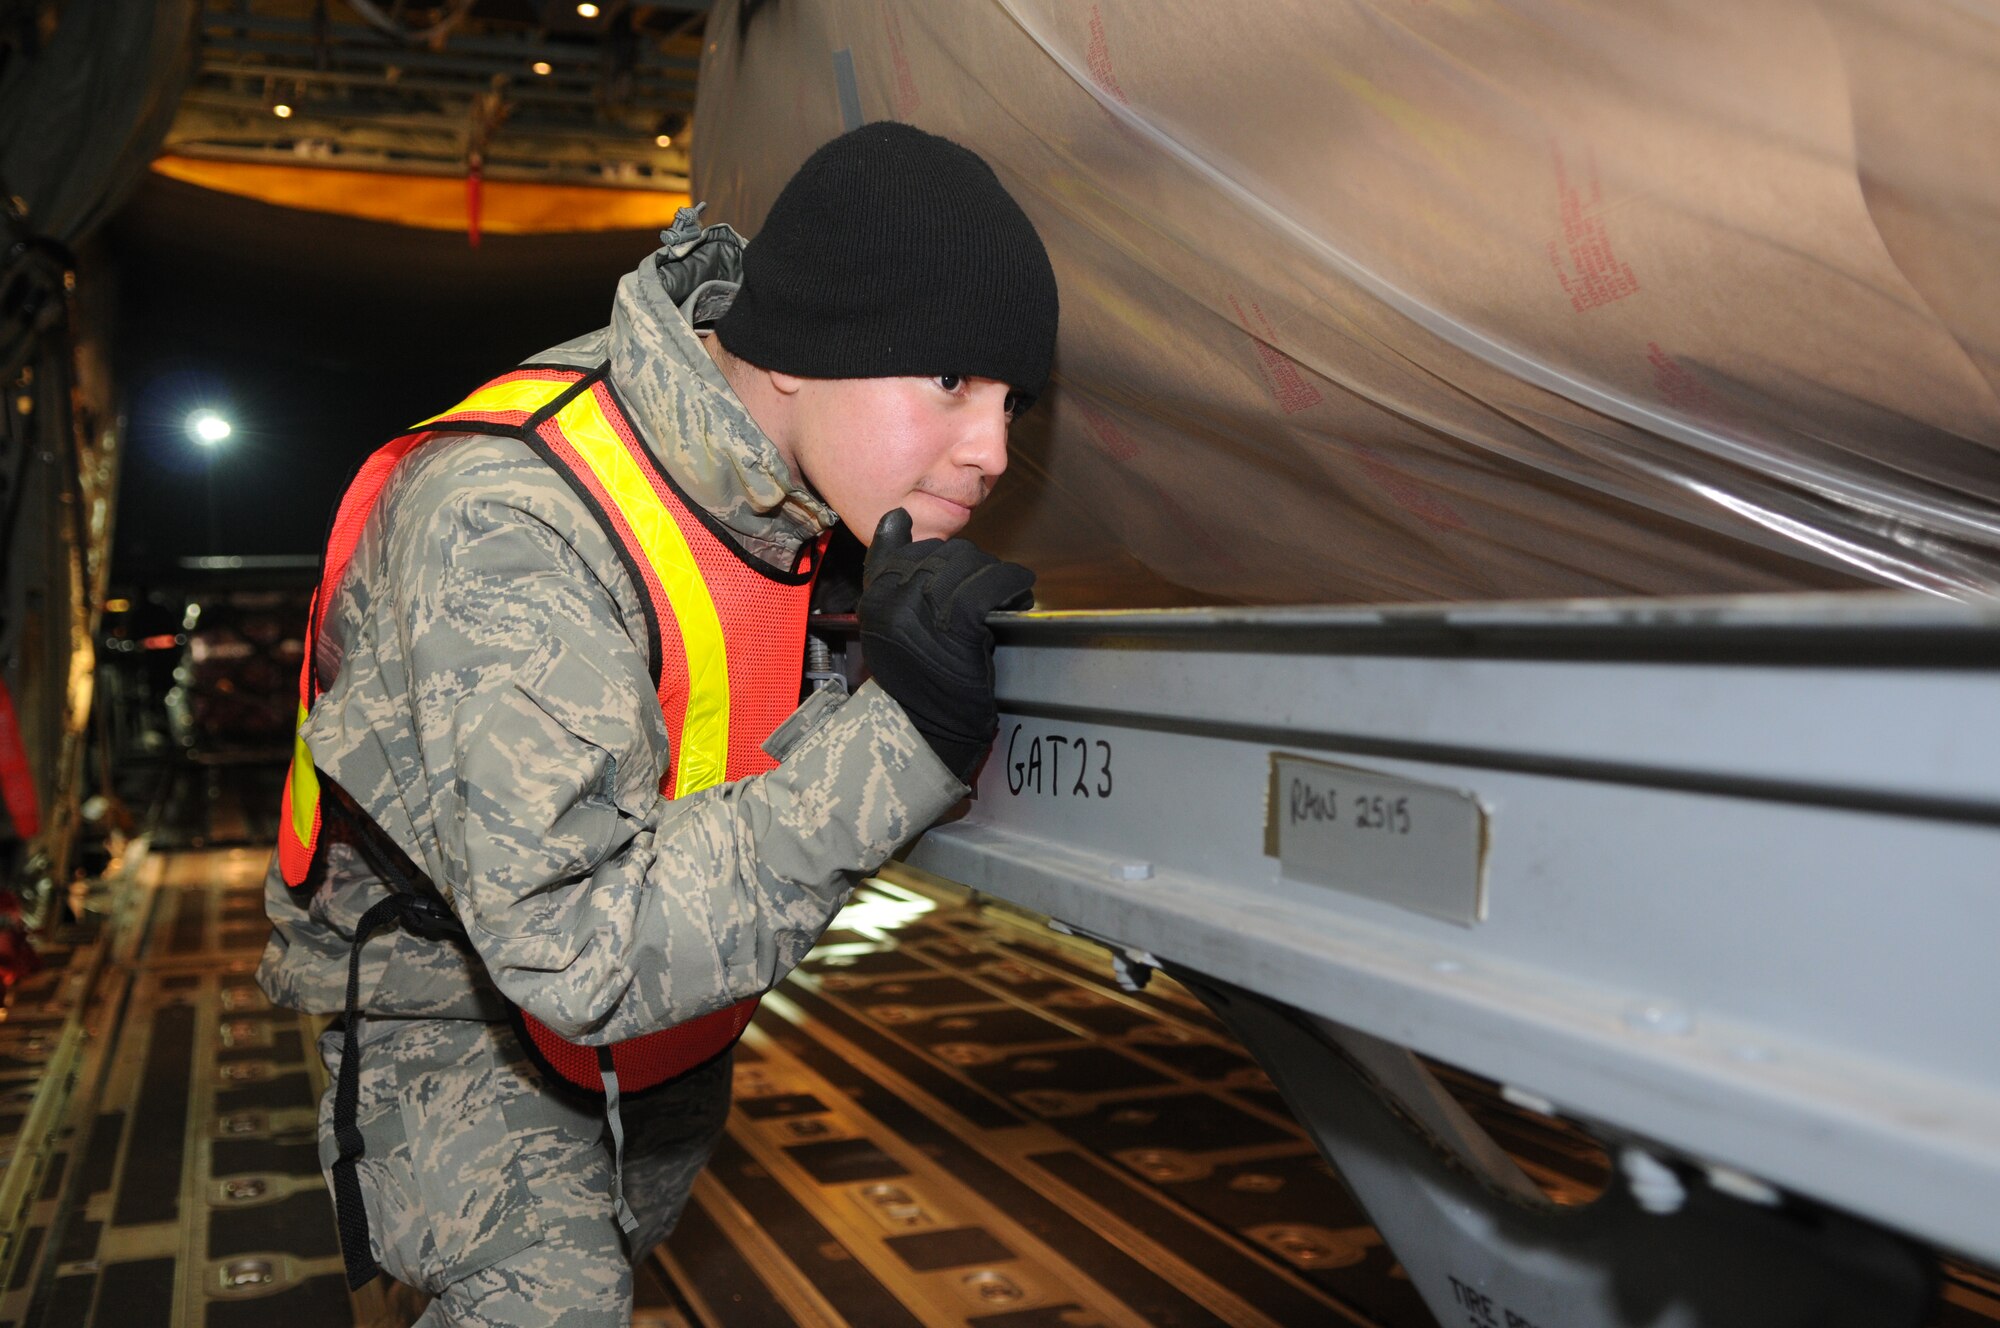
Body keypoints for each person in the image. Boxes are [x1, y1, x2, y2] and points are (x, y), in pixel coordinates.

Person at [256, 121, 1058, 1326]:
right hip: (458, 1014)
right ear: (796, 351)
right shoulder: (509, 522)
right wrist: (904, 735)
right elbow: (569, 941)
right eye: (950, 379)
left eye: (1013, 399)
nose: (992, 449)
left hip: (672, 1014)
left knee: (627, 1253)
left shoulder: (796, 501)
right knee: (560, 1301)